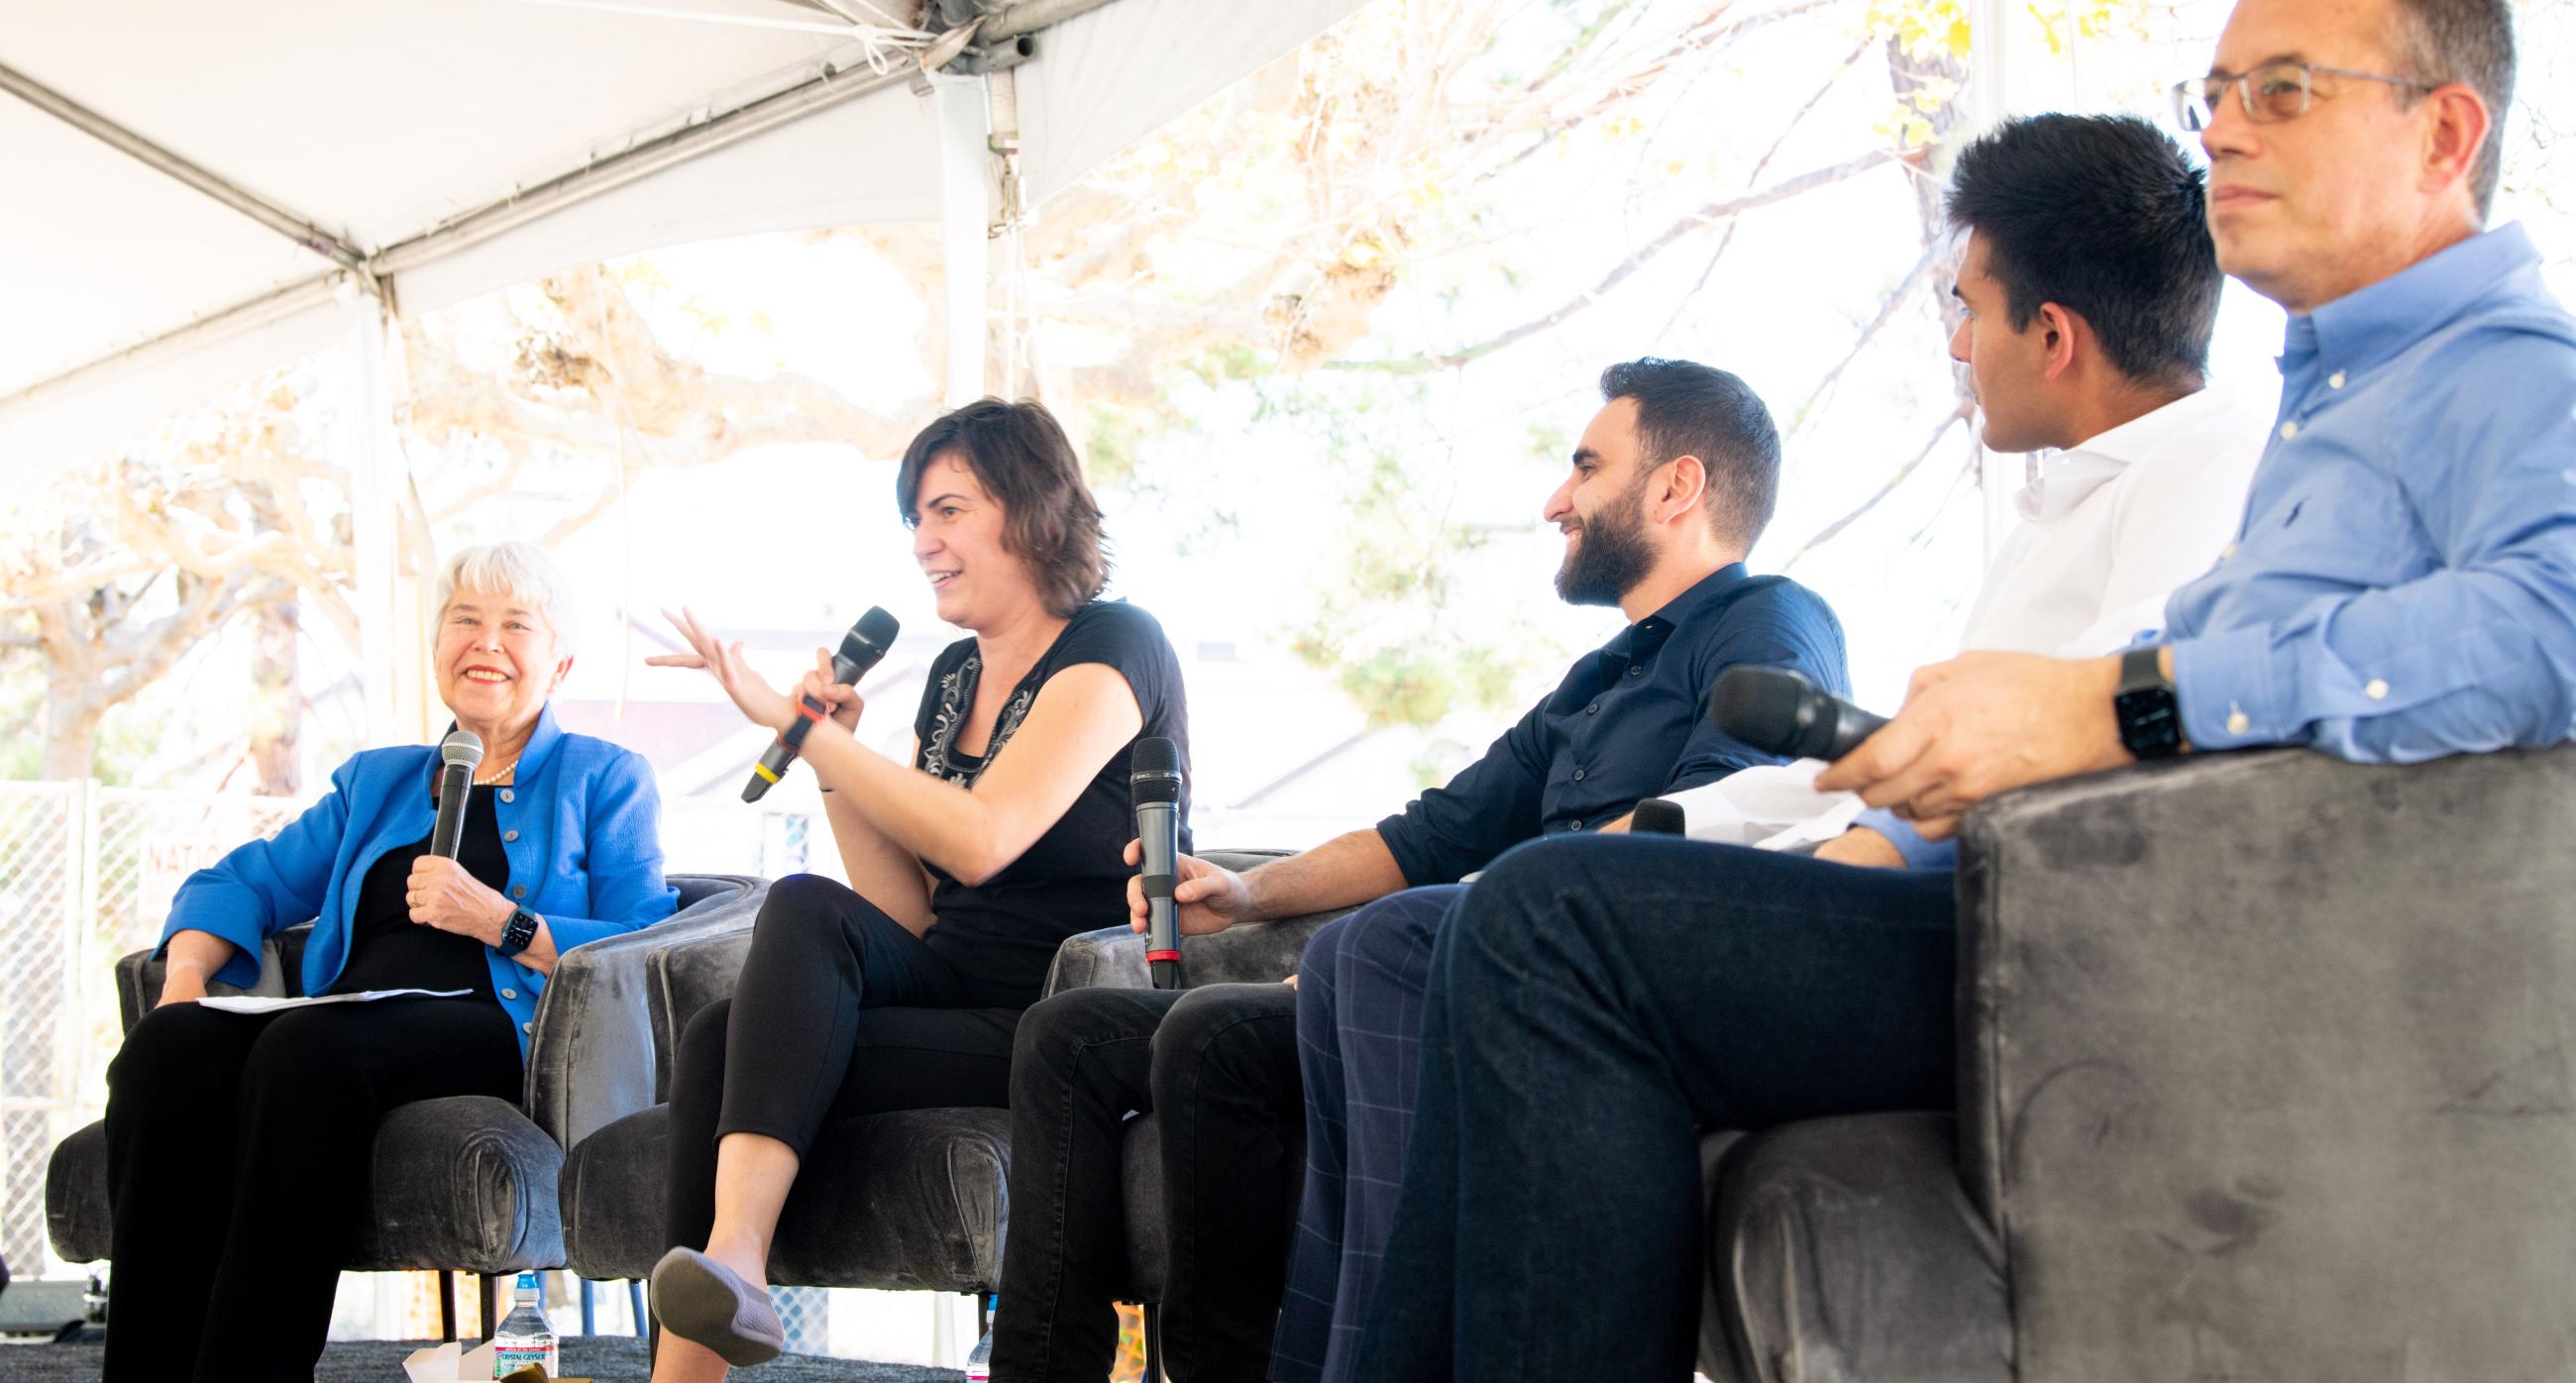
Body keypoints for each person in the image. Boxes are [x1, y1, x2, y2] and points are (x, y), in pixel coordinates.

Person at [1354, 0, 2576, 1383]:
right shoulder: (2338, 399)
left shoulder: (2507, 373)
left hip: (2142, 962)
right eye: (2219, 94)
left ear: (2445, 132)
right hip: (2072, 909)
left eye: (2287, 91)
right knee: (1520, 922)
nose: (2227, 137)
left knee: (1554, 921)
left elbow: (2551, 624)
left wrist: (2113, 706)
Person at [1278, 109, 2263, 1383]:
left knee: (1545, 909)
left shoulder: (2213, 463)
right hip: (1954, 901)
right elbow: (1890, 750)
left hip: (2027, 934)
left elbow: (2087, 732)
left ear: (2054, 334)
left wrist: (1873, 835)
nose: (1956, 346)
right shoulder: (2059, 507)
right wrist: (1681, 827)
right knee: (1519, 909)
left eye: (1968, 309)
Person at [991, 359, 1850, 1383]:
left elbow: (1712, 831)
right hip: (1481, 956)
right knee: (1130, 1031)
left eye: (1583, 467)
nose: (1554, 500)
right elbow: (1426, 836)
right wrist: (1244, 889)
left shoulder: (1769, 621)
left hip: (1574, 988)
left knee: (1307, 986)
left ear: (1676, 487)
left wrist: (1473, 923)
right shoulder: (1597, 676)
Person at [644, 397, 1190, 1379]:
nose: (922, 542)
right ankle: (727, 1281)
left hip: (1054, 1016)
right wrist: (834, 754)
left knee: (729, 1044)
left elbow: (983, 840)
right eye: (915, 518)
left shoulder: (1114, 643)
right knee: (769, 954)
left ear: (1030, 507)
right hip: (951, 983)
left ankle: (728, 1278)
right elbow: (908, 910)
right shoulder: (949, 677)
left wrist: (803, 730)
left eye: (946, 510)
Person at [102, 541, 674, 1383]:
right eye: (465, 621)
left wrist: (502, 923)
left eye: (516, 625)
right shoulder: (377, 782)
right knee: (165, 1053)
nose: (486, 642)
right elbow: (241, 882)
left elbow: (643, 946)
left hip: (498, 1031)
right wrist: (183, 986)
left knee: (306, 1054)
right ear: (437, 646)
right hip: (348, 1024)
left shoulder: (605, 777)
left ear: (559, 663)